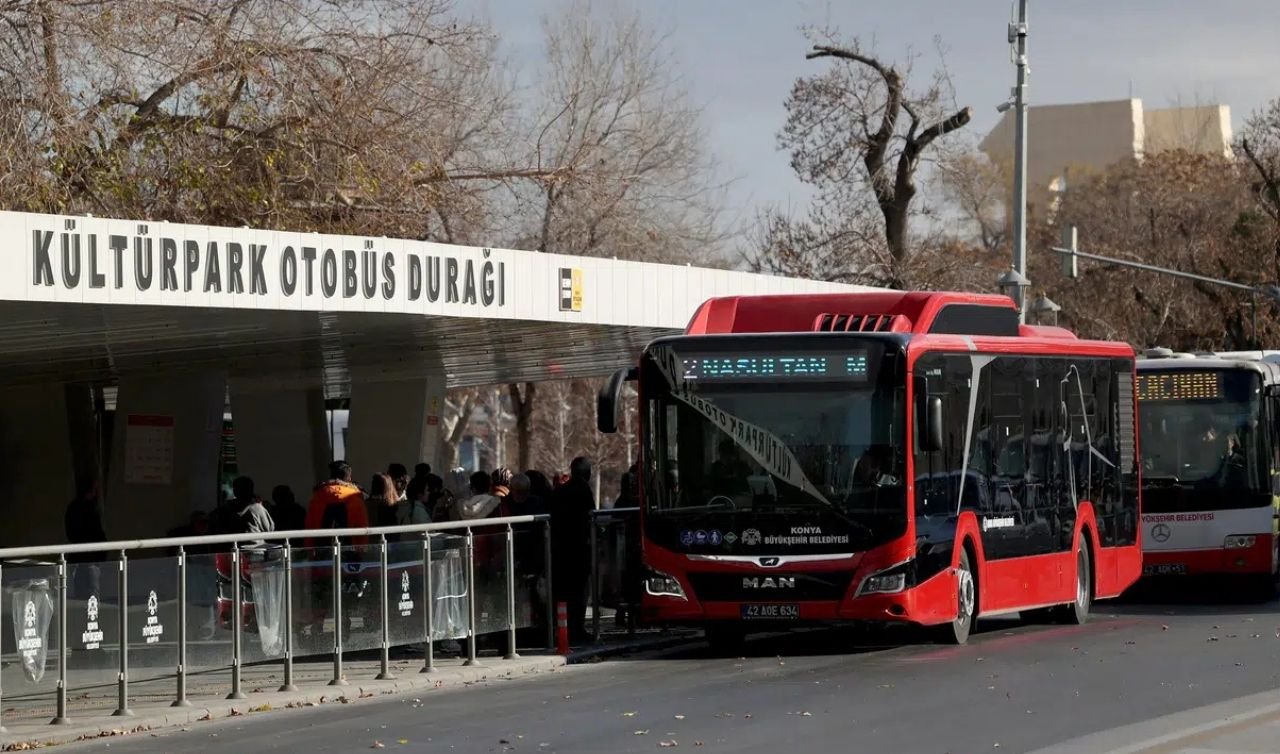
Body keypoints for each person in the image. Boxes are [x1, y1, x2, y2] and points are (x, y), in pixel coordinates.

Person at [551, 456, 595, 643]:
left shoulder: (560, 491)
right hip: (579, 548)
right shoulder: (583, 490)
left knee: (563, 592)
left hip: (560, 548)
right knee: (579, 591)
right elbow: (590, 516)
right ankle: (577, 629)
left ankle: (563, 629)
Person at [305, 461, 368, 545]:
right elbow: (363, 529)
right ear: (349, 478)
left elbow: (310, 527)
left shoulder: (317, 497)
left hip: (322, 550)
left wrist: (310, 553)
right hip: (350, 550)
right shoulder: (355, 498)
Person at [65, 476, 106, 599]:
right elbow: (95, 532)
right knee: (92, 594)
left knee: (80, 593)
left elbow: (70, 533)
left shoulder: (73, 507)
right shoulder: (89, 509)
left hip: (78, 557)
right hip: (90, 558)